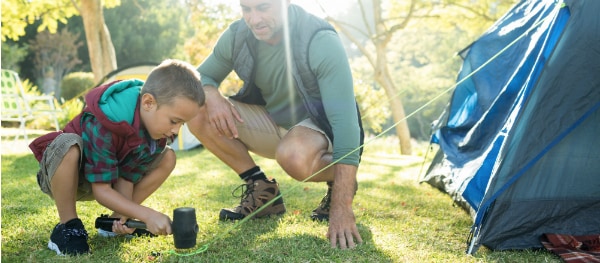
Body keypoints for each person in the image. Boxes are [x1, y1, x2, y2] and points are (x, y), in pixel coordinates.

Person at [187, 0, 364, 249]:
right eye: (246, 9)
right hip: (272, 121)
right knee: (197, 109)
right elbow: (198, 75)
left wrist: (342, 207)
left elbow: (346, 122)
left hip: (318, 128)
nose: (254, 19)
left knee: (293, 156)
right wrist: (212, 94)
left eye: (263, 7)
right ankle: (262, 191)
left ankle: (341, 181)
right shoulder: (238, 35)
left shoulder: (319, 39)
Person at [28, 59, 205, 256]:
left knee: (168, 157)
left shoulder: (156, 135)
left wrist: (126, 216)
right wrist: (146, 215)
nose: (176, 131)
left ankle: (113, 222)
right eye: (174, 121)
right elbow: (101, 190)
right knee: (68, 145)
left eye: (182, 124)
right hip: (64, 177)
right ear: (148, 102)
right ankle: (68, 226)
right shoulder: (106, 121)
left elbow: (127, 176)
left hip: (108, 177)